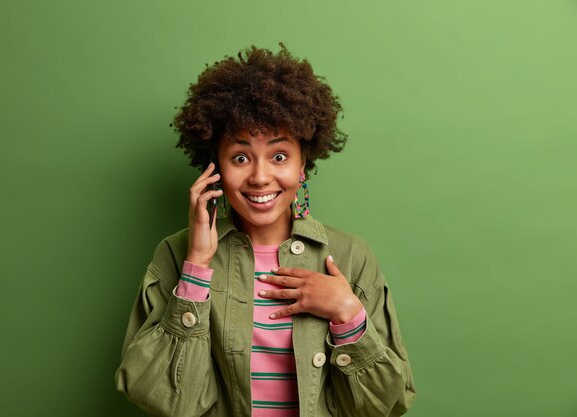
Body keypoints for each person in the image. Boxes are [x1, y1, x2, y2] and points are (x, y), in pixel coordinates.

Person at [115, 44, 415, 417]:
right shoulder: (177, 253)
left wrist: (347, 312)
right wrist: (197, 266)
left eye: (279, 156)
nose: (259, 177)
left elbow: (387, 404)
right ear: (216, 168)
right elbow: (163, 398)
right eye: (240, 157)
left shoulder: (351, 256)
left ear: (303, 163)